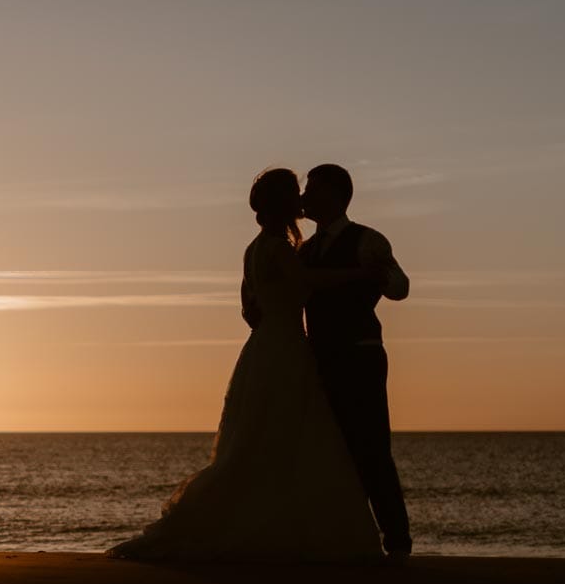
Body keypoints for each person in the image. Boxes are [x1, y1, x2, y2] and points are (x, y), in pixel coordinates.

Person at [110, 169, 383, 562]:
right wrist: (361, 273)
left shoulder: (255, 248)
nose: (302, 199)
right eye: (295, 194)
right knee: (281, 435)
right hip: (283, 348)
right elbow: (309, 281)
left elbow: (248, 308)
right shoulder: (278, 247)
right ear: (284, 203)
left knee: (264, 436)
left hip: (265, 345)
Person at [301, 164, 413, 560]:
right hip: (321, 358)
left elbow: (400, 287)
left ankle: (396, 540)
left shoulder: (368, 240)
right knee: (332, 448)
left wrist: (379, 275)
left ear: (333, 195)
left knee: (371, 448)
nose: (304, 197)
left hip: (361, 353)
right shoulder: (305, 250)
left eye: (311, 190)